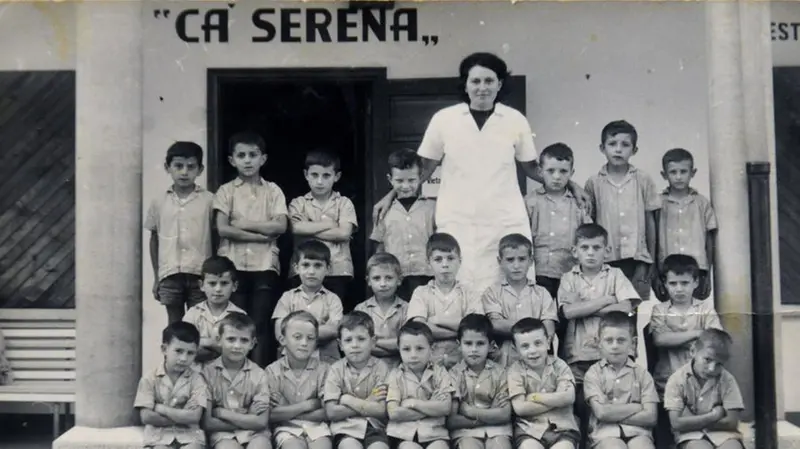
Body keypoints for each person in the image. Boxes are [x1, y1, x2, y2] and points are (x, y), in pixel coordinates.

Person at [372, 52, 587, 296]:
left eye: (489, 81)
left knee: (507, 280)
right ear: (465, 84)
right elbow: (424, 168)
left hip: (503, 216)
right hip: (457, 215)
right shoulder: (445, 119)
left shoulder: (514, 119)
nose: (482, 88)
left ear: (500, 84)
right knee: (459, 279)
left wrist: (572, 185)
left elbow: (532, 168)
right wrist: (391, 194)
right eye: (475, 81)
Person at [557, 224, 640, 441]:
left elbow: (625, 307)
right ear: (575, 251)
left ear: (607, 250)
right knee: (580, 407)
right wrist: (606, 300)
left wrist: (586, 307)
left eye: (596, 247)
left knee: (608, 404)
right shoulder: (569, 278)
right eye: (585, 247)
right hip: (579, 354)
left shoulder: (616, 274)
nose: (591, 253)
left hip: (611, 354)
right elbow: (569, 311)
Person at [214, 131, 288, 366]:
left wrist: (245, 225)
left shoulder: (273, 191)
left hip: (264, 265)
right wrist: (262, 235)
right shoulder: (226, 191)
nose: (247, 160)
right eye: (241, 155)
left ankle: (257, 378)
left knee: (259, 324)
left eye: (253, 155)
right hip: (233, 266)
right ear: (232, 160)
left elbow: (280, 226)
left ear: (263, 159)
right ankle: (234, 375)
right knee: (235, 324)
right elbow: (223, 229)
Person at [649, 255, 724, 449]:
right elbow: (660, 339)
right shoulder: (660, 309)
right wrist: (698, 333)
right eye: (673, 283)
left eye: (685, 283)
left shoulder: (705, 309)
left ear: (696, 282)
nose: (679, 289)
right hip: (667, 384)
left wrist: (678, 338)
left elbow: (715, 342)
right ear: (664, 283)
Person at [526, 143, 592, 354]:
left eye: (563, 171)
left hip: (569, 277)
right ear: (539, 171)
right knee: (542, 329)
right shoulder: (530, 202)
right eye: (550, 171)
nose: (557, 176)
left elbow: (587, 238)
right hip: (539, 275)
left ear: (571, 173)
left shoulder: (579, 204)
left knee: (568, 330)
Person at [584, 120, 660, 303]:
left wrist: (651, 260)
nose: (618, 150)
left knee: (631, 311)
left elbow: (650, 221)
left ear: (634, 150)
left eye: (625, 145)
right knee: (607, 309)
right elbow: (589, 224)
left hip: (637, 259)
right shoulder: (594, 183)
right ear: (602, 148)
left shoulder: (643, 180)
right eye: (612, 144)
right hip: (605, 260)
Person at [146, 141, 214, 323]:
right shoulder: (159, 201)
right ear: (167, 167)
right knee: (174, 325)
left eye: (191, 167)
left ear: (200, 170)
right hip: (170, 274)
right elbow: (154, 239)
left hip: (200, 273)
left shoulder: (209, 200)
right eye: (178, 166)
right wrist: (156, 277)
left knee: (199, 323)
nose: (184, 172)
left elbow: (216, 236)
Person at [289, 149, 358, 302]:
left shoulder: (344, 203)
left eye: (326, 175)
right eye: (314, 175)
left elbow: (343, 233)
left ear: (337, 176)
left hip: (338, 270)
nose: (320, 181)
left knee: (333, 312)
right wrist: (328, 224)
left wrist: (309, 228)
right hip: (305, 269)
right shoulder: (298, 203)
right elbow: (296, 228)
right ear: (306, 175)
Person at [406, 233, 484, 369]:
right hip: (430, 364)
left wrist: (436, 321)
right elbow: (420, 329)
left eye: (450, 258)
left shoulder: (470, 293)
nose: (445, 264)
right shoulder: (421, 293)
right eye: (438, 259)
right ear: (428, 263)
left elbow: (476, 328)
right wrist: (460, 332)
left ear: (460, 261)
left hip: (464, 364)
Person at [583, 312, 658, 449]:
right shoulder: (593, 374)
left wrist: (613, 414)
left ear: (633, 343)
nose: (615, 346)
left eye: (621, 340)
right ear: (599, 343)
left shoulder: (642, 374)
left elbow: (651, 417)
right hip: (604, 435)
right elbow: (601, 413)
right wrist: (636, 407)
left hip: (639, 433)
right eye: (609, 340)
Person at [369, 148, 436, 301]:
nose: (405, 186)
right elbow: (379, 246)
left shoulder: (432, 208)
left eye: (411, 180)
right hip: (396, 277)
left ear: (420, 177)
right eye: (399, 181)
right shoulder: (383, 211)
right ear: (390, 179)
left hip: (426, 274)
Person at [482, 233, 558, 366]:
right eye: (510, 260)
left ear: (531, 261)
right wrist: (534, 329)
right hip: (504, 361)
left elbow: (549, 328)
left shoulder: (542, 293)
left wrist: (515, 328)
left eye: (522, 259)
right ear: (500, 261)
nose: (516, 265)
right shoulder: (492, 293)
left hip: (537, 360)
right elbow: (496, 324)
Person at [653, 148, 718, 301]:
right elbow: (652, 238)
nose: (678, 177)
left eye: (683, 171)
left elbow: (710, 238)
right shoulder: (657, 204)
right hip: (667, 268)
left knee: (694, 311)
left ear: (692, 173)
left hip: (697, 268)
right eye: (673, 172)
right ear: (664, 175)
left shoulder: (701, 203)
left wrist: (708, 272)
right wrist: (655, 273)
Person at [664, 329, 745, 449]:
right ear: (693, 351)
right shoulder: (677, 380)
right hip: (690, 436)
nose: (712, 368)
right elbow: (676, 423)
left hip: (724, 435)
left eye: (719, 364)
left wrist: (691, 421)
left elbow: (732, 422)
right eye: (707, 360)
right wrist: (714, 415)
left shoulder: (727, 380)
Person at [323, 311, 392, 449]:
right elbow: (331, 412)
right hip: (345, 428)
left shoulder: (381, 368)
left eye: (361, 339)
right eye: (348, 340)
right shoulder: (335, 370)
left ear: (373, 342)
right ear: (340, 345)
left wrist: (348, 400)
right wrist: (368, 403)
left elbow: (381, 410)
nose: (355, 345)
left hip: (375, 427)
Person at [507, 318, 579, 449]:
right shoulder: (515, 371)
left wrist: (535, 397)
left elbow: (568, 397)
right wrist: (556, 400)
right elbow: (520, 408)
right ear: (516, 349)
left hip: (563, 428)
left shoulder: (560, 366)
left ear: (548, 342)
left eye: (538, 343)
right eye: (525, 346)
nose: (533, 350)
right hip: (529, 430)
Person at [202, 312, 271, 449]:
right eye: (231, 339)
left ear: (252, 343)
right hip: (222, 435)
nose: (237, 346)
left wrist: (222, 413)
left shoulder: (259, 374)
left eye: (244, 340)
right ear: (219, 339)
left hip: (256, 434)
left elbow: (261, 422)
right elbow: (207, 422)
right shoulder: (206, 374)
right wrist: (248, 417)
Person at [134, 322, 207, 449]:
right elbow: (146, 417)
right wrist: (182, 417)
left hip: (190, 437)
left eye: (190, 353)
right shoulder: (150, 378)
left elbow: (194, 416)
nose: (184, 358)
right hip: (157, 438)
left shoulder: (197, 379)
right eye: (178, 351)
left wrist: (161, 409)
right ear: (164, 349)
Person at [266, 311, 332, 449]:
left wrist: (286, 410)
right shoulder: (272, 371)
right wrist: (308, 405)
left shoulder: (325, 370)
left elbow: (327, 412)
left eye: (310, 338)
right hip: (286, 429)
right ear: (283, 339)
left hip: (318, 428)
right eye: (297, 337)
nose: (304, 343)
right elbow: (271, 414)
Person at [272, 239, 345, 363]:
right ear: (296, 268)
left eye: (318, 265)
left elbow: (334, 330)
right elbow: (280, 332)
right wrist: (318, 332)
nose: (311, 271)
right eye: (305, 265)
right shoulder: (287, 298)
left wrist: (296, 334)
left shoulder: (333, 299)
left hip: (325, 361)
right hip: (291, 361)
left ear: (328, 268)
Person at [447, 314, 512, 449]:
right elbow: (452, 420)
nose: (474, 349)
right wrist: (491, 414)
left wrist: (470, 412)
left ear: (490, 345)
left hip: (498, 432)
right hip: (465, 434)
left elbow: (505, 415)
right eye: (468, 343)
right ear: (459, 345)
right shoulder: (454, 375)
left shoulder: (500, 373)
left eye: (480, 343)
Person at [386, 321, 454, 449]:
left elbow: (445, 407)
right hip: (403, 435)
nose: (413, 355)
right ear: (399, 349)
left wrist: (413, 403)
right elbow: (394, 413)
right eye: (406, 349)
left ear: (431, 349)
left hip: (434, 433)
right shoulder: (395, 375)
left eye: (420, 348)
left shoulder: (440, 373)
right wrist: (432, 406)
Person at [183, 256, 247, 364]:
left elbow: (238, 351)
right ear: (201, 285)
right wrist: (217, 346)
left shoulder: (240, 316)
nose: (218, 289)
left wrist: (205, 343)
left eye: (224, 283)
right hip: (196, 375)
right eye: (212, 283)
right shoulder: (193, 314)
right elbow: (185, 347)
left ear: (234, 286)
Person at [354, 253, 409, 368]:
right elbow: (358, 344)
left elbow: (407, 343)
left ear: (399, 280)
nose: (383, 284)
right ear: (368, 281)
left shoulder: (407, 308)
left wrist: (372, 342)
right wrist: (394, 345)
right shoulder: (361, 309)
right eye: (376, 278)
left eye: (389, 278)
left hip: (399, 369)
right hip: (369, 370)